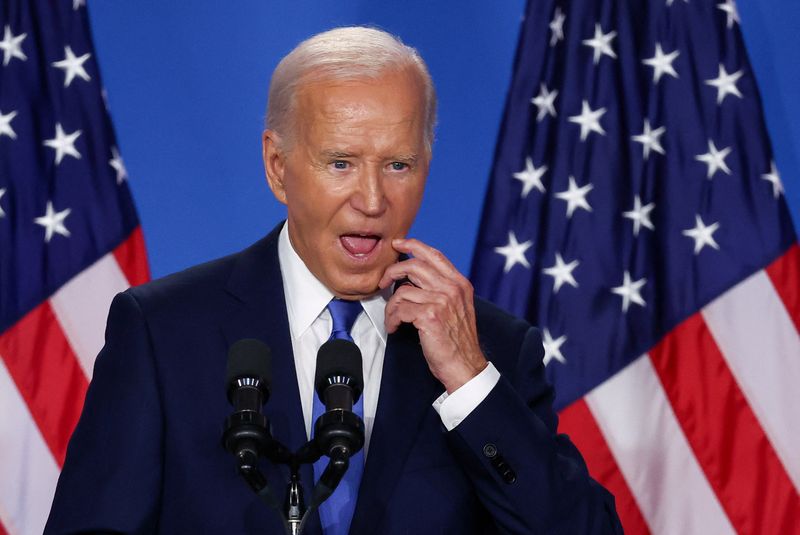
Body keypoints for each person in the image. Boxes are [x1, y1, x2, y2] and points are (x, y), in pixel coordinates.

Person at [45, 27, 622, 534]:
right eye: (341, 162)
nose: (372, 200)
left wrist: (469, 383)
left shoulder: (492, 351)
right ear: (278, 167)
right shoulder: (163, 334)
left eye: (398, 164)